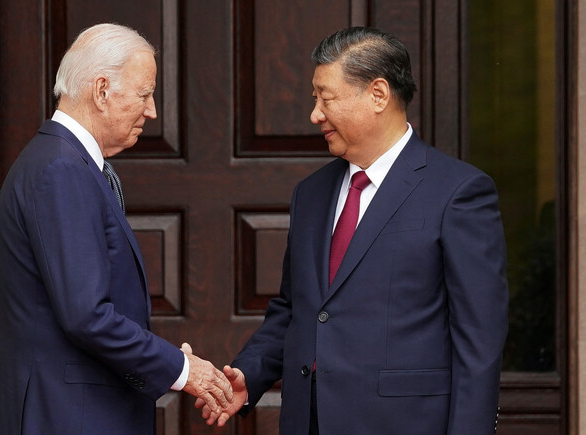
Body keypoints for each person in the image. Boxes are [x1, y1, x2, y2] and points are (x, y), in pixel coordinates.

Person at [197, 26, 508, 434]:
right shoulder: (311, 194)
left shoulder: (458, 193)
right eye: (314, 99)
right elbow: (296, 309)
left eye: (326, 98)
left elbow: (479, 342)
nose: (315, 114)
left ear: (378, 94)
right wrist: (248, 374)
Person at [0, 23, 233, 434]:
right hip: (68, 415)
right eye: (144, 94)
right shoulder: (62, 169)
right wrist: (184, 369)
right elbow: (87, 316)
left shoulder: (62, 161)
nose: (152, 111)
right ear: (102, 90)